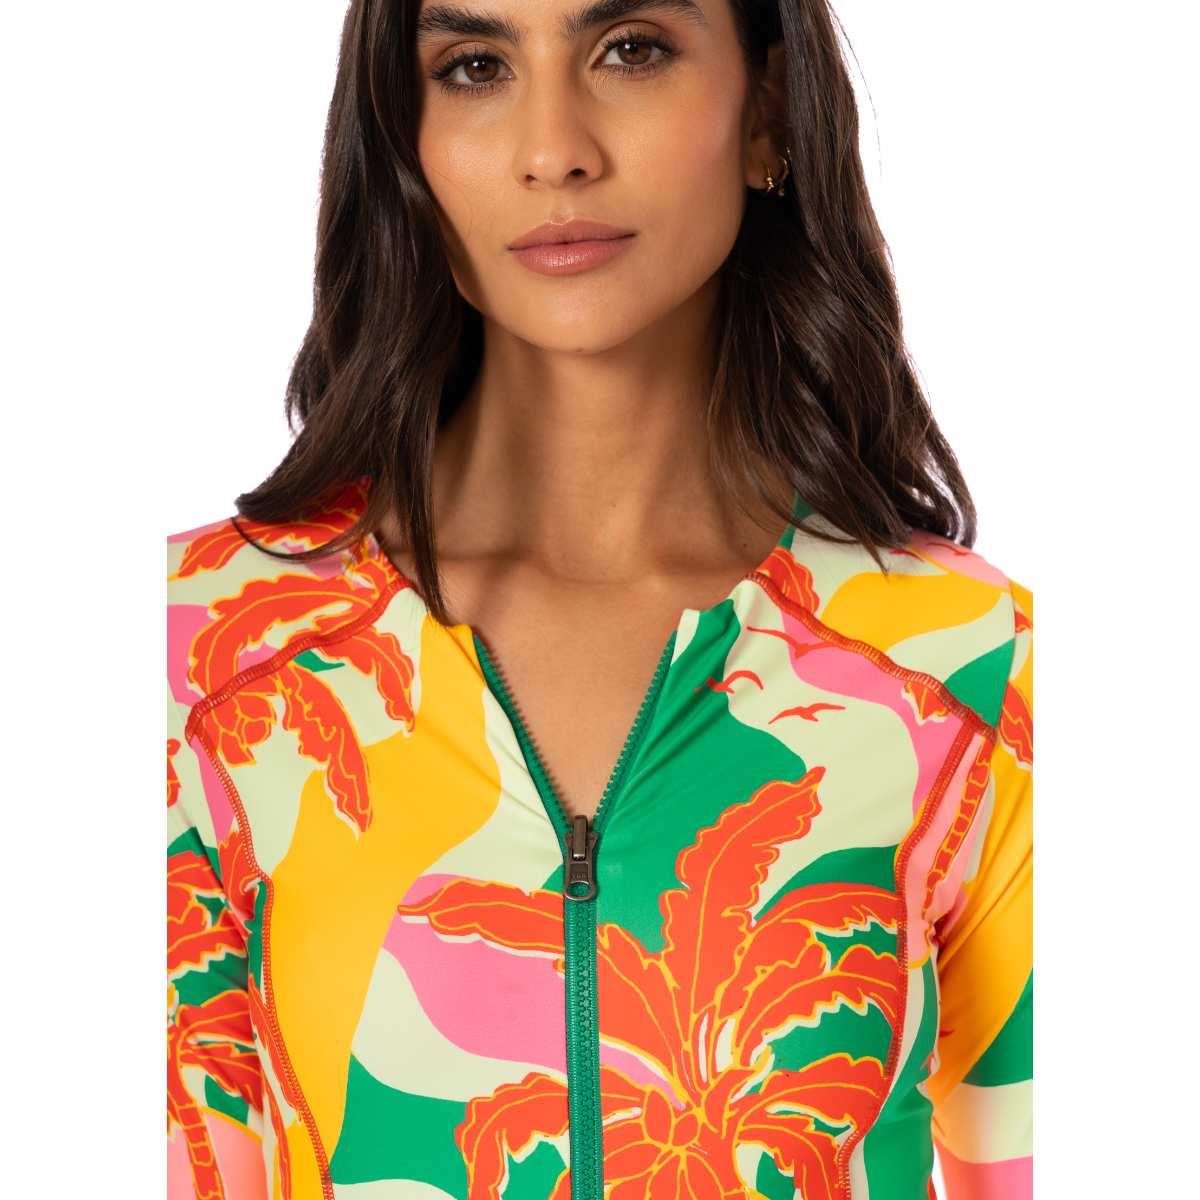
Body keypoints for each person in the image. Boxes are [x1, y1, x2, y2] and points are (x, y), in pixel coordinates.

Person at [166, 0, 1033, 1196]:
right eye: (475, 66)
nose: (553, 149)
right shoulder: (207, 651)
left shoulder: (971, 666)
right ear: (400, 133)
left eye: (631, 51)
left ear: (768, 112)